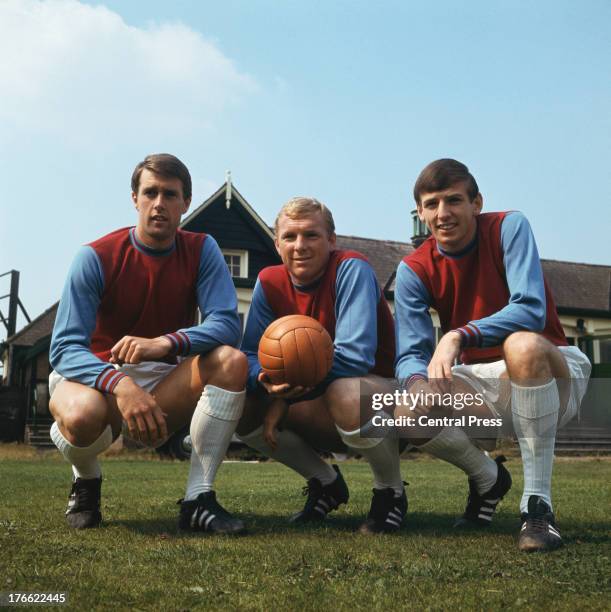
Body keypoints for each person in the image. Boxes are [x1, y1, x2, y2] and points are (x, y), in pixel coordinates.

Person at [394, 159, 591, 551]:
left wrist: (458, 335)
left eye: (453, 200)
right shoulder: (412, 270)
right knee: (406, 409)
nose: (443, 213)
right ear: (420, 213)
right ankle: (488, 478)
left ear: (476, 203)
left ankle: (538, 509)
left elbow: (531, 309)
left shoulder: (508, 227)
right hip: (483, 379)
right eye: (431, 204)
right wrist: (419, 382)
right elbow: (411, 353)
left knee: (523, 344)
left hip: (552, 368)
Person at [49, 153, 248, 534]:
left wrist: (164, 343)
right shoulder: (94, 256)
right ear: (135, 198)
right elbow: (64, 348)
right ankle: (86, 478)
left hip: (164, 377)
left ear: (185, 203)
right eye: (151, 192)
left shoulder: (203, 249)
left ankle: (198, 499)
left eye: (170, 195)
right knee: (79, 418)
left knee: (231, 361)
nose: (160, 204)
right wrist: (121, 385)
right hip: (95, 377)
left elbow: (225, 323)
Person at [237, 197, 407, 534]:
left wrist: (284, 399)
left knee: (345, 392)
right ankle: (325, 482)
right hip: (319, 400)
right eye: (290, 237)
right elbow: (250, 355)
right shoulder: (268, 282)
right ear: (276, 244)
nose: (300, 246)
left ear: (331, 240)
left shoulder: (351, 268)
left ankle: (391, 492)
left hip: (382, 401)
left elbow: (355, 357)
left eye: (311, 235)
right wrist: (265, 381)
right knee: (240, 401)